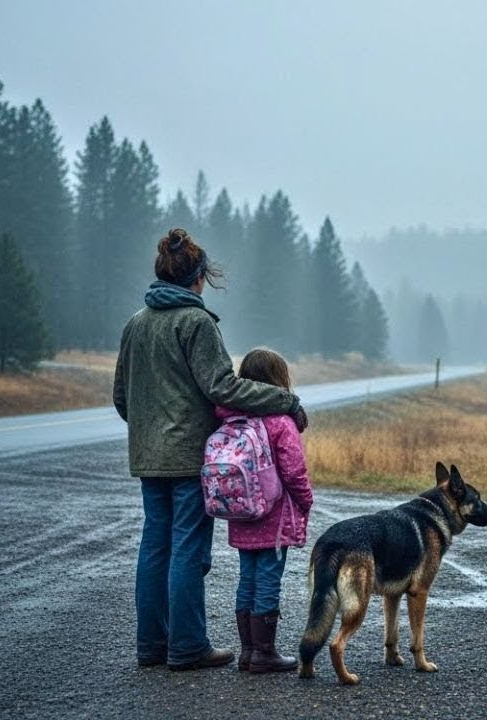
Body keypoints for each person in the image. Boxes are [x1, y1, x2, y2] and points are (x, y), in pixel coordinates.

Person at [113, 228, 309, 671]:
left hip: (148, 458)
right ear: (198, 277)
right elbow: (223, 387)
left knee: (154, 547)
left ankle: (152, 646)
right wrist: (285, 401)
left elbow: (122, 397)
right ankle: (187, 647)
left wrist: (150, 432)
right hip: (188, 459)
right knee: (188, 549)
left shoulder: (135, 324)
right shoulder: (195, 323)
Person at [218, 348, 314, 674]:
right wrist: (305, 500)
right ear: (278, 380)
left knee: (247, 578)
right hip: (273, 516)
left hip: (241, 512)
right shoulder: (280, 422)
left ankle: (247, 652)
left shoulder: (231, 417)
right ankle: (265, 652)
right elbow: (294, 471)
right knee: (269, 579)